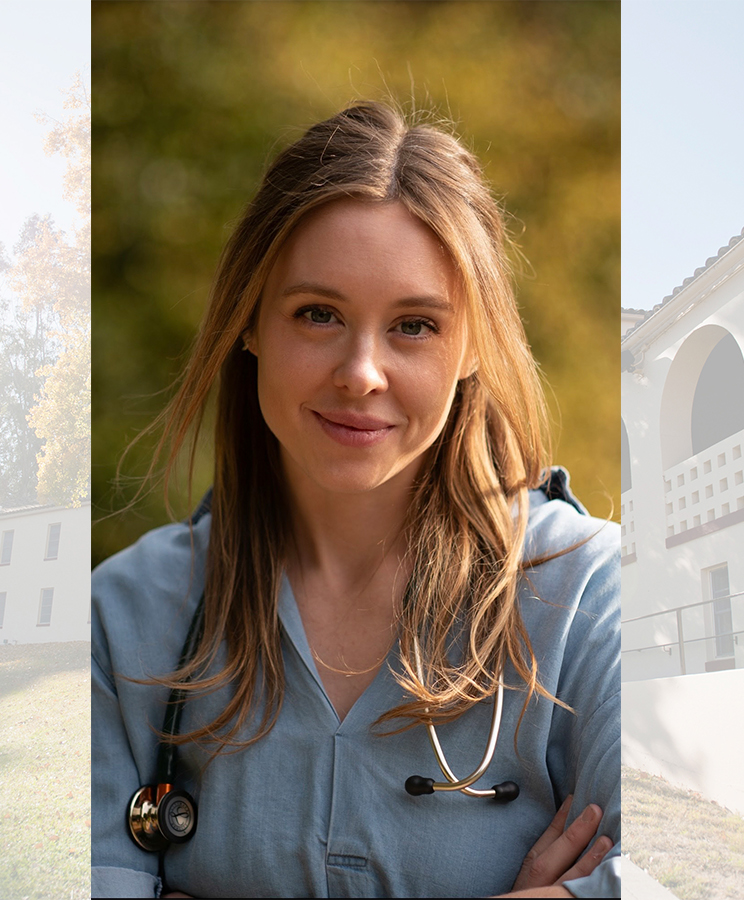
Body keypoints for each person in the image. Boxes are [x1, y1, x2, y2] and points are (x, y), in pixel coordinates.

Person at [92, 101, 620, 899]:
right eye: (318, 314)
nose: (361, 372)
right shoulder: (122, 618)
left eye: (414, 326)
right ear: (252, 322)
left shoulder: (591, 596)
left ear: (472, 346)